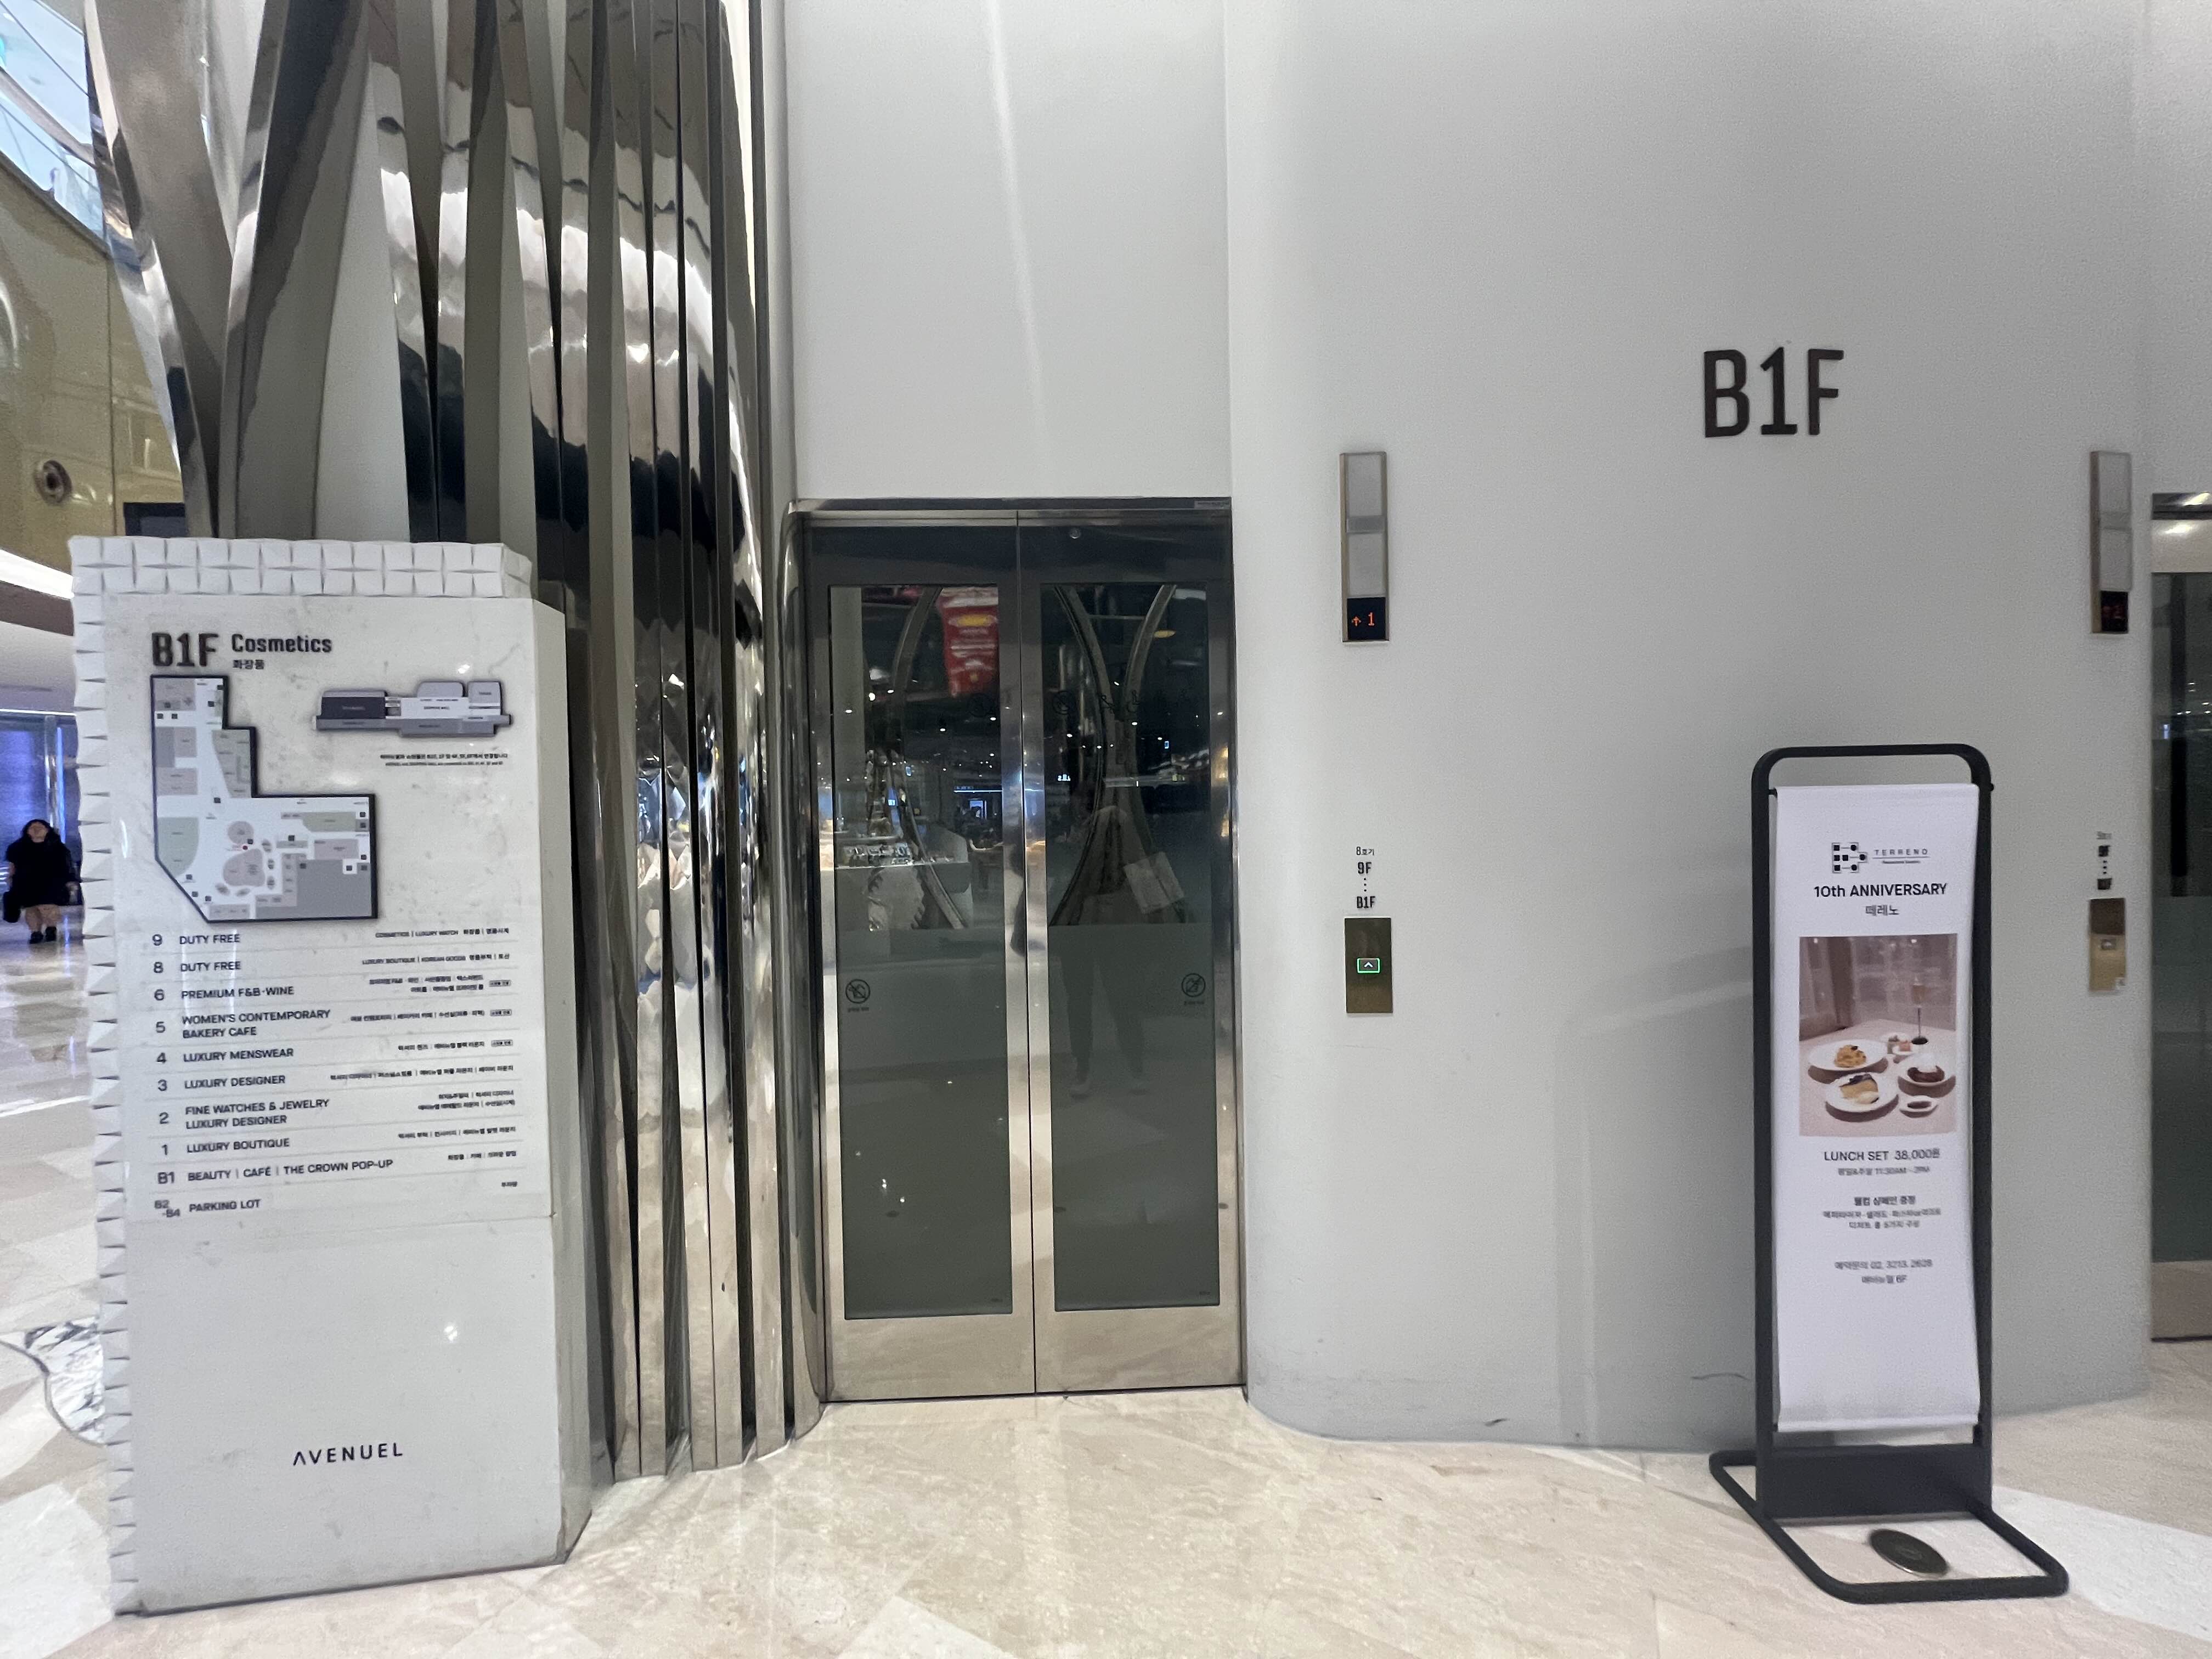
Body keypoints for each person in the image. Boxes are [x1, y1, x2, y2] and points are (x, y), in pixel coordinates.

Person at [4, 820, 75, 944]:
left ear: (48, 830)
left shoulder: (57, 847)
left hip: (52, 883)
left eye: (40, 828)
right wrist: (10, 879)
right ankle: (35, 933)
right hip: (26, 883)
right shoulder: (17, 848)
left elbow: (66, 866)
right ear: (27, 831)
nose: (36, 830)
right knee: (31, 909)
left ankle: (51, 928)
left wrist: (70, 882)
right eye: (33, 828)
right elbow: (13, 866)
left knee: (49, 907)